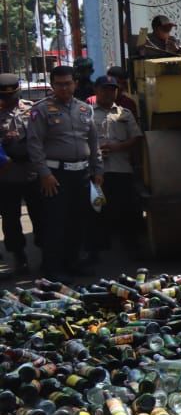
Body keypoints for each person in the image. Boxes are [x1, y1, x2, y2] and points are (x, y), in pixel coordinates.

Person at [26, 65, 103, 280]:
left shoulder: (84, 109)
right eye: (59, 84)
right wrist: (44, 174)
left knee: (78, 221)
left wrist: (98, 169)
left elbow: (93, 141)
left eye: (68, 83)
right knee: (56, 223)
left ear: (75, 84)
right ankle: (53, 268)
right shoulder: (40, 110)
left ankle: (74, 262)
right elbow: (34, 145)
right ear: (52, 85)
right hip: (55, 176)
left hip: (82, 174)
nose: (64, 88)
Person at [88, 75, 143, 260]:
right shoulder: (85, 113)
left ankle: (130, 245)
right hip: (96, 171)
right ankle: (96, 248)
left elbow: (136, 137)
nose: (109, 92)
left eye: (112, 89)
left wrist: (118, 147)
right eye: (104, 89)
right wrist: (93, 151)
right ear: (96, 90)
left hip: (121, 168)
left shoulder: (124, 113)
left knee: (126, 208)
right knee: (96, 209)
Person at [0, 74, 40, 273]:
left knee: (40, 215)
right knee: (10, 219)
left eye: (12, 96)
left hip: (32, 172)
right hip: (7, 176)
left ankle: (45, 250)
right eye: (4, 97)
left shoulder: (31, 108)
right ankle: (19, 255)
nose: (8, 100)